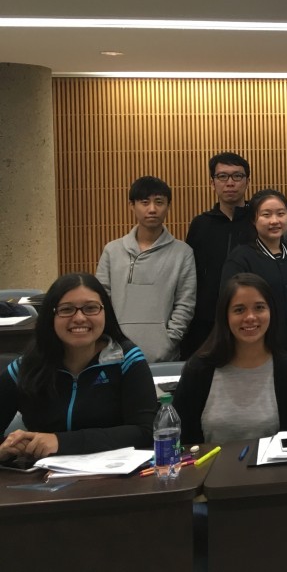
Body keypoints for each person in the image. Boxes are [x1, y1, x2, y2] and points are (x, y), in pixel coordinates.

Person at [0, 273, 156, 459]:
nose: (80, 318)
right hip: (44, 481)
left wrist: (60, 442)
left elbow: (145, 431)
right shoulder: (25, 368)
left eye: (91, 308)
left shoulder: (127, 359)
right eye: (66, 310)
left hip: (117, 478)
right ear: (51, 316)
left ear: (105, 312)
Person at [173, 273, 287, 444]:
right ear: (225, 316)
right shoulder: (198, 370)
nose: (250, 317)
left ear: (271, 312)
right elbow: (181, 443)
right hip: (209, 469)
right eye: (239, 310)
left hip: (272, 471)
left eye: (259, 308)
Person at [220, 189, 287, 365]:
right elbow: (230, 310)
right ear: (254, 220)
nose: (275, 221)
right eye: (266, 214)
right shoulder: (241, 258)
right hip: (258, 358)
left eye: (281, 214)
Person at [96, 175, 196, 362]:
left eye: (159, 202)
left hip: (164, 357)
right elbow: (101, 299)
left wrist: (168, 341)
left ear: (168, 206)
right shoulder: (112, 250)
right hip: (116, 354)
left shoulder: (183, 252)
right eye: (144, 202)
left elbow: (185, 304)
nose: (152, 209)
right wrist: (111, 340)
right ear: (131, 206)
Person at [182, 151, 255, 358]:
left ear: (247, 181)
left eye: (237, 176)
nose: (230, 182)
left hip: (251, 318)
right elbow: (191, 274)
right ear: (212, 183)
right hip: (206, 322)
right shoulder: (200, 224)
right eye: (222, 176)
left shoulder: (259, 221)